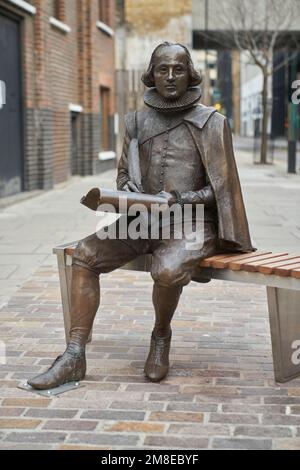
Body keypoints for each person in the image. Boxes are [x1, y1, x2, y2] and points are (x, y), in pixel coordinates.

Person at [28, 42, 255, 389]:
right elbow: (122, 173)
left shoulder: (211, 122)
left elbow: (221, 190)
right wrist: (127, 189)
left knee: (166, 271)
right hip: (141, 220)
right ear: (151, 75)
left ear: (190, 74)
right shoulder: (136, 120)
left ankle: (161, 335)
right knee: (85, 255)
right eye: (162, 69)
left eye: (178, 69)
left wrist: (179, 197)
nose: (170, 76)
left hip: (192, 223)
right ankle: (74, 354)